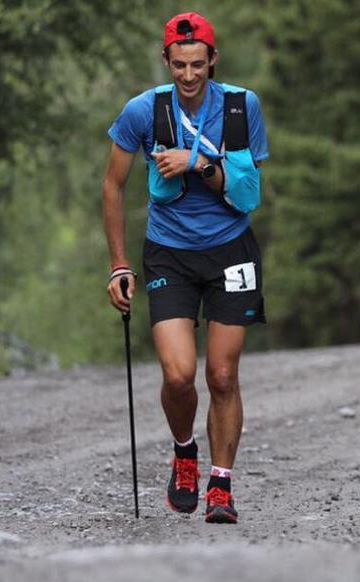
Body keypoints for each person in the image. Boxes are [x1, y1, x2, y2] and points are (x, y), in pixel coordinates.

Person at [102, 12, 269, 524]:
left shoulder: (242, 108)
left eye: (198, 64)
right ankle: (183, 451)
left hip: (231, 250)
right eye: (180, 65)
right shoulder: (142, 112)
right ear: (166, 62)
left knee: (221, 374)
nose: (189, 75)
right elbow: (113, 187)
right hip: (168, 253)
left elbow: (248, 193)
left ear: (213, 60)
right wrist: (118, 264)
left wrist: (196, 163)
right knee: (178, 375)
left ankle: (221, 485)